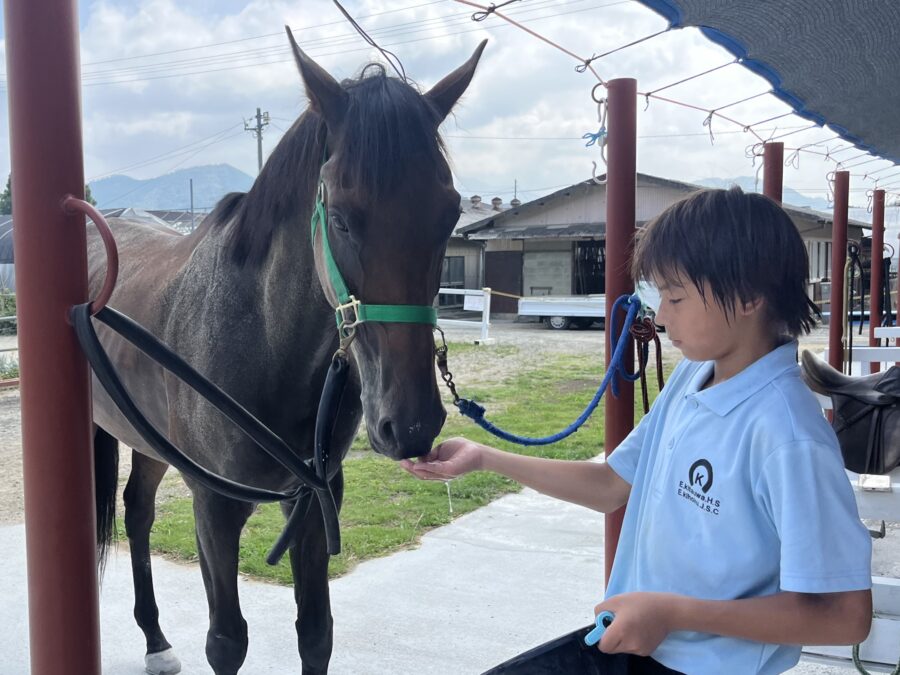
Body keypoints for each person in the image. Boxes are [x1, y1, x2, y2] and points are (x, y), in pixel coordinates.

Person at [401, 187, 873, 675]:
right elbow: (611, 485)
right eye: (658, 295)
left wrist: (672, 614)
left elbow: (845, 616)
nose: (661, 315)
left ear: (750, 295)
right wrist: (485, 457)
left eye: (676, 297)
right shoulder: (695, 375)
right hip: (639, 646)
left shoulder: (788, 436)